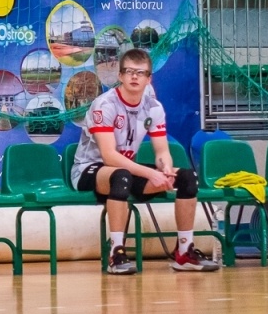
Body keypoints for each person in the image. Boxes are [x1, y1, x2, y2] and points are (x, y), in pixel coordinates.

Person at [70, 47, 221, 274]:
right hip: (90, 169)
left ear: (148, 78)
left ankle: (184, 252)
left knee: (187, 178)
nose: (134, 77)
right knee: (121, 176)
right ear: (120, 76)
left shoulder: (153, 107)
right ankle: (116, 253)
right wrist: (150, 173)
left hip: (130, 170)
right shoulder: (105, 105)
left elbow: (161, 151)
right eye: (129, 71)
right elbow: (109, 156)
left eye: (140, 73)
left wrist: (166, 168)